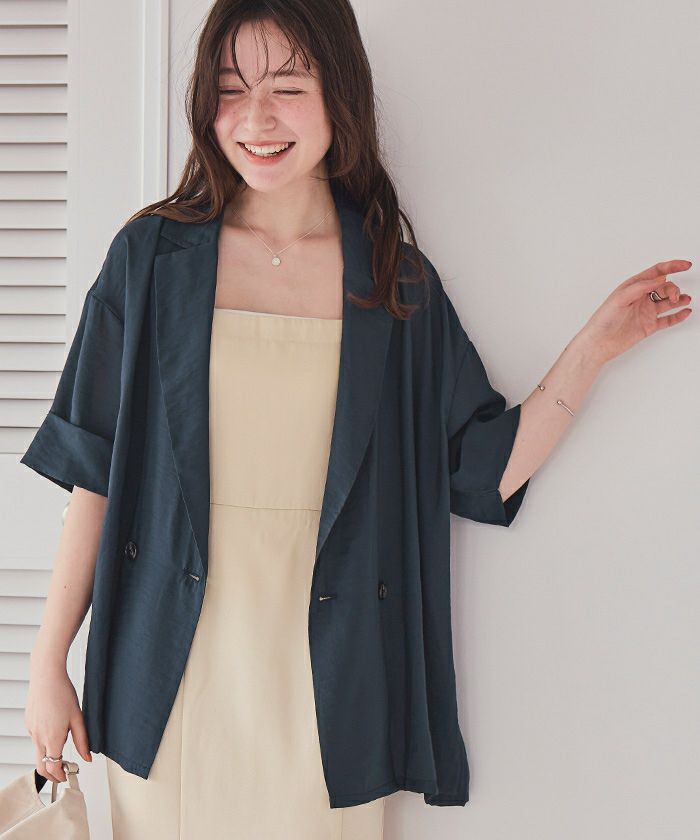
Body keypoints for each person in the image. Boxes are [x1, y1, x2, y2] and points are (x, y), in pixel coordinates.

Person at [22, 1, 692, 838]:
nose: (257, 119)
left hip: (332, 685)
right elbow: (93, 471)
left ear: (339, 95)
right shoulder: (152, 260)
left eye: (287, 87)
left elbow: (482, 469)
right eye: (231, 89)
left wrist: (594, 349)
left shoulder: (392, 282)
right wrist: (47, 662)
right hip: (168, 672)